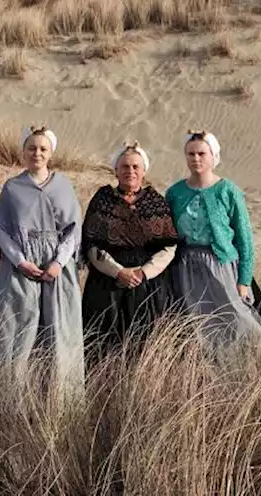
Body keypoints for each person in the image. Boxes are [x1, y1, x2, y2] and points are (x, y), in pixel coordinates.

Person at [0, 125, 85, 396]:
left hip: (57, 268)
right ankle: (8, 402)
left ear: (51, 152)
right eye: (31, 148)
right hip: (21, 268)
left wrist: (58, 263)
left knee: (59, 332)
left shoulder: (63, 185)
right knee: (16, 332)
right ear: (23, 151)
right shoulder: (12, 188)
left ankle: (61, 401)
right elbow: (2, 230)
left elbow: (73, 230)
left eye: (43, 149)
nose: (37, 153)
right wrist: (20, 261)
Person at [163, 129, 261, 353]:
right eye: (191, 154)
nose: (196, 159)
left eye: (201, 153)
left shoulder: (228, 191)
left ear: (213, 156)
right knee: (198, 325)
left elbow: (244, 238)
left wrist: (244, 280)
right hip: (186, 267)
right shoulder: (175, 193)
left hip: (221, 265)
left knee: (237, 317)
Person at [79, 141, 181, 370]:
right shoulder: (102, 199)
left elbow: (168, 247)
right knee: (101, 345)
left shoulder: (155, 202)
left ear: (144, 171)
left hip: (147, 286)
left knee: (142, 344)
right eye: (125, 166)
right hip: (107, 284)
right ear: (115, 170)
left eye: (136, 167)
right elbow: (91, 245)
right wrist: (119, 271)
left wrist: (143, 273)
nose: (130, 171)